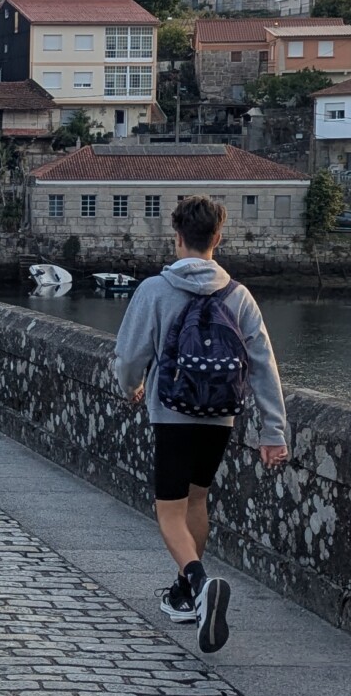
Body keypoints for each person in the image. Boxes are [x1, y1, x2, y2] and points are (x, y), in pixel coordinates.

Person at [108, 195, 288, 655]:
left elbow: (129, 357)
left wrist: (131, 387)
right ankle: (185, 595)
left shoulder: (155, 290)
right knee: (197, 499)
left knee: (168, 511)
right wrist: (272, 432)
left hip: (171, 413)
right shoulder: (238, 295)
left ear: (177, 238)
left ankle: (200, 582)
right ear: (217, 239)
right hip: (219, 416)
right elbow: (264, 366)